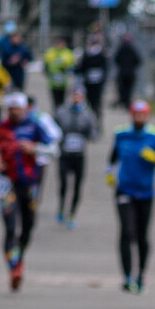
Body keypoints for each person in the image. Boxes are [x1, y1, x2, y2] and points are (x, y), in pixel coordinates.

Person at [0, 92, 55, 291]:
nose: (15, 112)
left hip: (29, 184)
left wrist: (35, 149)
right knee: (10, 228)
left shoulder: (34, 127)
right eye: (11, 108)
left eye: (18, 108)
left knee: (28, 226)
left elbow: (53, 149)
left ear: (25, 109)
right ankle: (14, 268)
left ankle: (19, 257)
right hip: (7, 184)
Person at [105, 100, 155, 293]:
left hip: (146, 192)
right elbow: (112, 158)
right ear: (131, 115)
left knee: (142, 234)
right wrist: (109, 174)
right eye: (136, 114)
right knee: (127, 231)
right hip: (125, 190)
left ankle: (141, 273)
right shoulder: (121, 134)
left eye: (143, 115)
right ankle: (127, 276)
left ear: (147, 116)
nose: (139, 118)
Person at [54, 85, 99, 229]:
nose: (76, 98)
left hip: (79, 156)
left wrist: (87, 131)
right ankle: (61, 207)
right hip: (64, 154)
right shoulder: (61, 111)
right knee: (63, 184)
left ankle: (72, 214)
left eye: (79, 96)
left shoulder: (88, 114)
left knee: (77, 186)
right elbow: (53, 130)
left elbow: (94, 135)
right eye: (74, 95)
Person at [75, 34, 108, 121]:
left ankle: (96, 119)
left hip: (98, 82)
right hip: (89, 82)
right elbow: (82, 67)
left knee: (96, 102)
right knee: (90, 101)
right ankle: (91, 118)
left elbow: (105, 68)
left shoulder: (100, 54)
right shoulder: (87, 54)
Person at [43, 37, 76, 109]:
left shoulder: (68, 53)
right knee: (55, 101)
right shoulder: (50, 52)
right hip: (53, 82)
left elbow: (71, 66)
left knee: (63, 100)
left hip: (64, 82)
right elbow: (46, 65)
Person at [113, 33, 142, 109]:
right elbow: (138, 61)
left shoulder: (120, 49)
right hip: (130, 73)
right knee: (129, 89)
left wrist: (122, 66)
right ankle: (127, 103)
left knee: (122, 88)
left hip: (122, 73)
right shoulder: (133, 50)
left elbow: (116, 60)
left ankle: (123, 102)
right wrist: (132, 67)